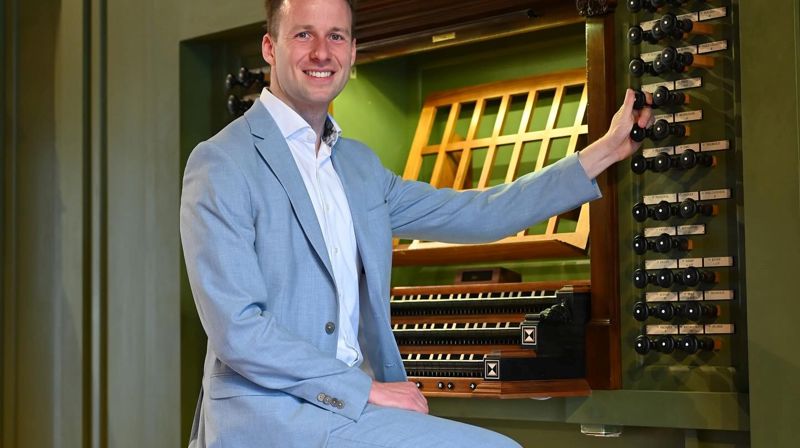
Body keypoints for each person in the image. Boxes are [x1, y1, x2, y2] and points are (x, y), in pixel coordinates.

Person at [180, 0, 653, 446]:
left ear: (352, 50)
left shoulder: (359, 167)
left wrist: (605, 150)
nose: (322, 52)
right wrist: (365, 390)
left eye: (337, 36)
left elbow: (477, 214)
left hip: (347, 412)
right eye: (304, 34)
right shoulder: (223, 161)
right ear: (270, 47)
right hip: (270, 414)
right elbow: (239, 330)